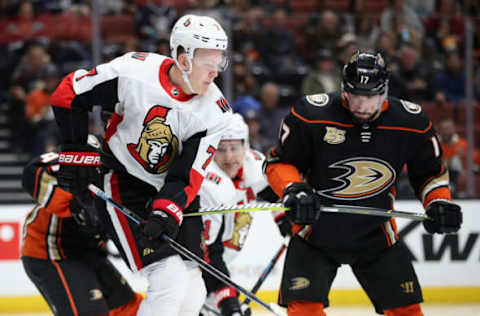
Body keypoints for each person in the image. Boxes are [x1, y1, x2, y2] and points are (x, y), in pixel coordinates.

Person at [49, 14, 232, 316]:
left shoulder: (215, 113)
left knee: (194, 287)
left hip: (173, 191)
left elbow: (190, 174)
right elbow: (69, 93)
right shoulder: (133, 71)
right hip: (123, 181)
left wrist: (166, 208)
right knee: (168, 277)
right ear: (183, 57)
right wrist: (76, 149)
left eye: (219, 61)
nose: (215, 72)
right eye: (208, 62)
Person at [264, 51, 462, 316]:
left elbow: (430, 172)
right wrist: (294, 189)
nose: (361, 103)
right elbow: (278, 162)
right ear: (344, 88)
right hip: (314, 233)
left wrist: (438, 201)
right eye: (355, 94)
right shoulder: (312, 114)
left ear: (384, 90)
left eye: (370, 96)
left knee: (407, 311)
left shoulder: (410, 122)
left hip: (377, 235)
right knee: (303, 311)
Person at [21, 135, 143, 316]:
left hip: (90, 251)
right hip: (52, 252)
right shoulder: (83, 156)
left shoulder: (128, 164)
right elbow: (34, 172)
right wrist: (75, 204)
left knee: (130, 308)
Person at [199, 114, 291, 316]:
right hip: (197, 266)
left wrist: (287, 224)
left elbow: (272, 196)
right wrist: (228, 299)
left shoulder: (254, 166)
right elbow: (207, 252)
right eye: (221, 149)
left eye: (234, 148)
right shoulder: (206, 184)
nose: (229, 157)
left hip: (221, 261)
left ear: (246, 146)